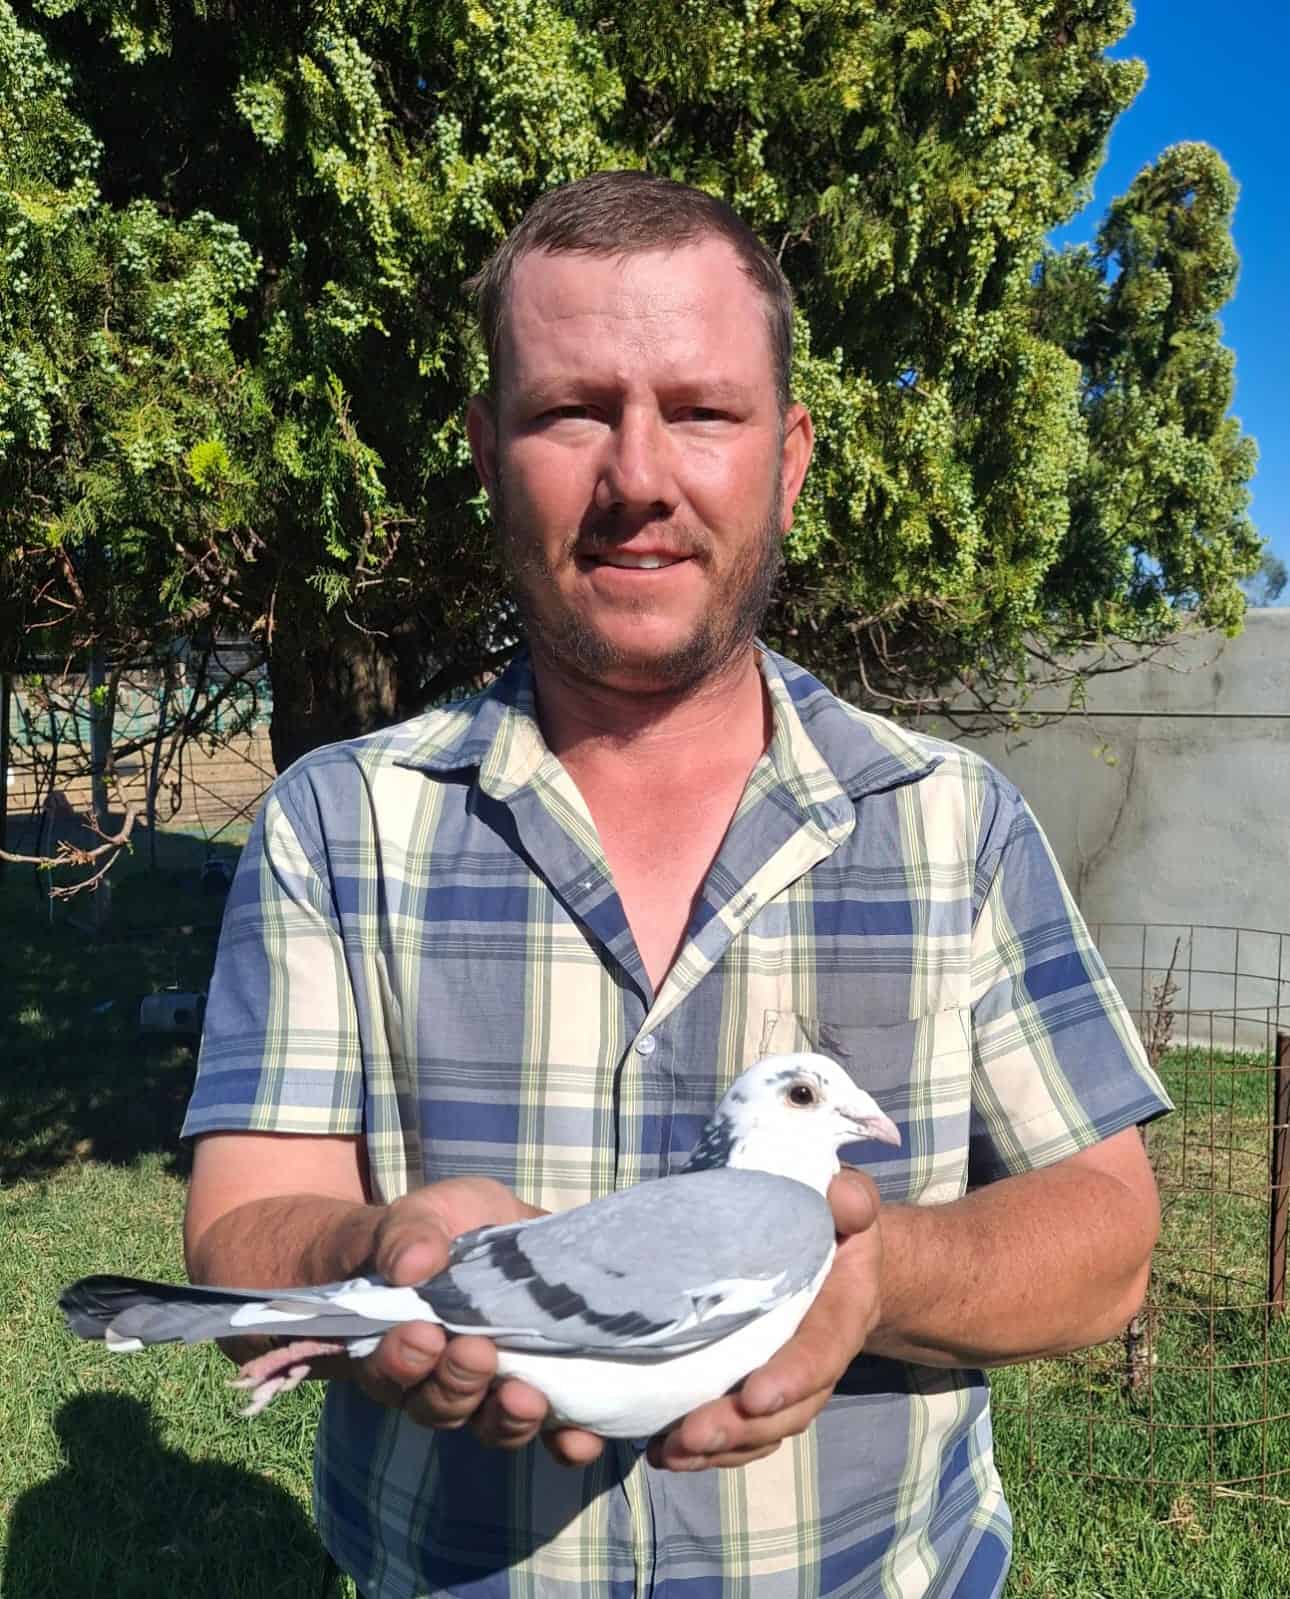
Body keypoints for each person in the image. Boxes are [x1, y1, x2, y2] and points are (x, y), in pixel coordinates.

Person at [182, 170, 1170, 1599]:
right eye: (571, 409)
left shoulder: (954, 823)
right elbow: (242, 1224)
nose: (636, 474)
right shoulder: (337, 823)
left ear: (788, 457)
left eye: (701, 411)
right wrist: (380, 1253)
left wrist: (868, 1275)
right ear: (483, 450)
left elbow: (1108, 1243)